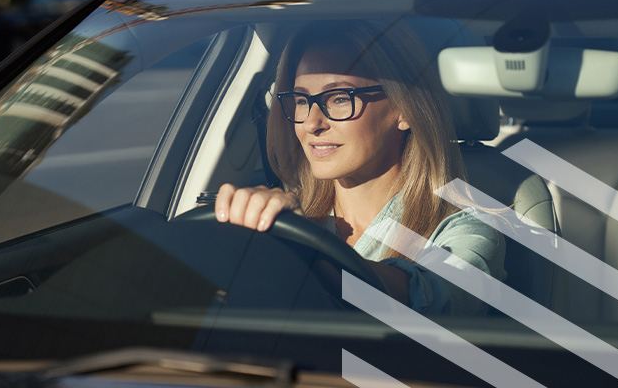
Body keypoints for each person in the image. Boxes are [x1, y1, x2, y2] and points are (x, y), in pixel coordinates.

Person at [214, 20, 506, 315]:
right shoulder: (286, 219)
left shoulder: (470, 231)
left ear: (404, 110)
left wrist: (310, 255)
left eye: (340, 98)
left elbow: (433, 297)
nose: (312, 123)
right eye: (302, 100)